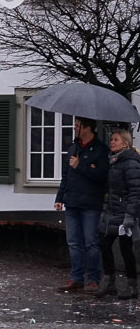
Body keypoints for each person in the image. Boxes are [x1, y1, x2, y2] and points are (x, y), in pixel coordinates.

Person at [55, 117, 110, 293]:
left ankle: (93, 278)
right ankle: (76, 277)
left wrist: (81, 166)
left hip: (90, 203)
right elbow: (66, 175)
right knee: (73, 242)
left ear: (88, 128)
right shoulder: (73, 147)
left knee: (91, 242)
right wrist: (60, 197)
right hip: (72, 202)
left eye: (77, 126)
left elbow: (102, 177)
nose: (74, 128)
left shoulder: (101, 150)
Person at [94, 130, 140, 299]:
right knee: (104, 245)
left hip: (125, 213)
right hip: (112, 212)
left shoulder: (130, 163)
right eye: (111, 139)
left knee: (126, 249)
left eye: (115, 139)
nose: (111, 142)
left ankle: (132, 285)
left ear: (125, 143)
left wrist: (130, 215)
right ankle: (109, 282)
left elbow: (135, 191)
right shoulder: (113, 161)